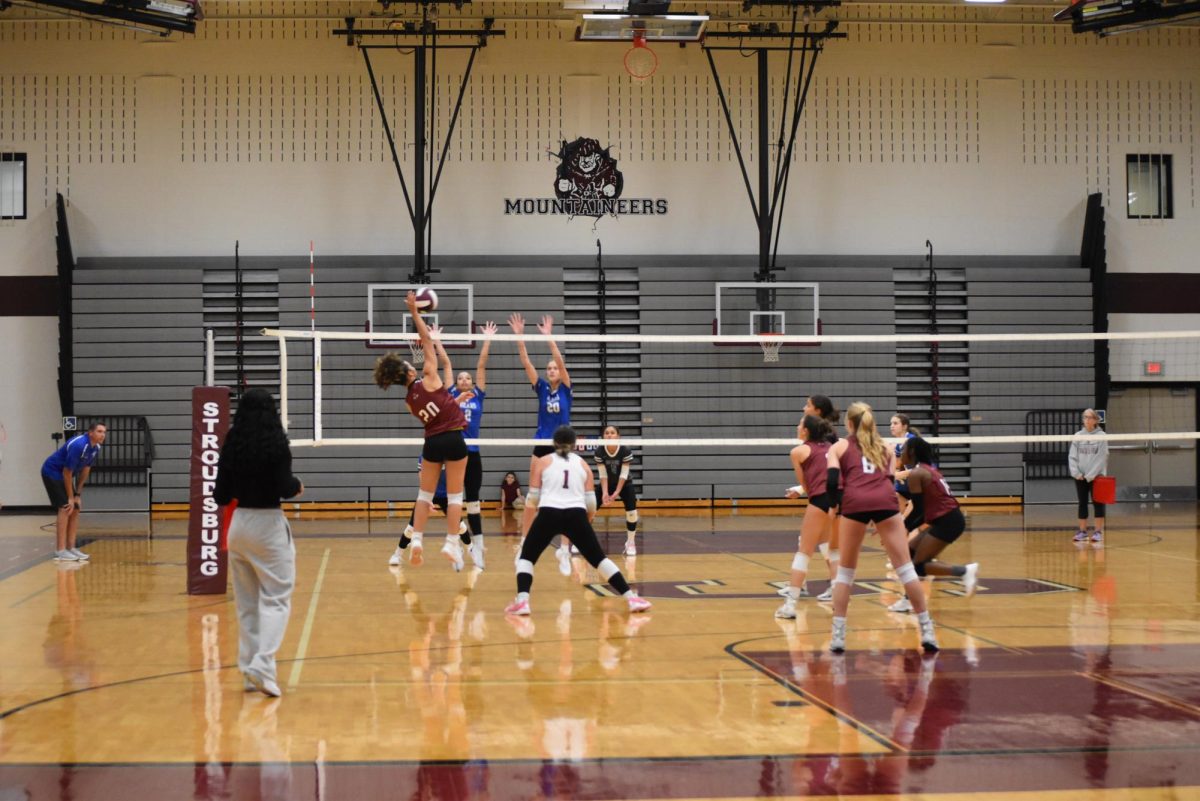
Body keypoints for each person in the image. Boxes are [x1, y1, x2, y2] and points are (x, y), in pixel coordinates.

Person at [825, 401, 938, 654]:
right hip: (885, 503)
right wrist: (884, 519)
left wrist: (834, 507)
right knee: (906, 570)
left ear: (849, 424)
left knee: (845, 572)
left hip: (854, 503)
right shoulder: (886, 447)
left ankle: (838, 636)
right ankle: (927, 630)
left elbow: (832, 481)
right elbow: (887, 481)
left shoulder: (840, 446)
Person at [504, 426, 650, 616]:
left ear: (554, 444)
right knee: (599, 559)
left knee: (526, 558)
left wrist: (530, 529)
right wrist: (584, 525)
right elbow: (591, 502)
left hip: (549, 513)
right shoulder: (583, 464)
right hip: (576, 515)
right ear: (574, 445)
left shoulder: (543, 461)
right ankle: (631, 598)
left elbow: (532, 499)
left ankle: (523, 601)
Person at [213, 389, 303, 698]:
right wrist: (298, 486)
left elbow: (220, 496)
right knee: (277, 599)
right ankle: (263, 666)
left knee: (247, 605)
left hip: (238, 527)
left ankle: (250, 669)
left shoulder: (232, 445)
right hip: (268, 526)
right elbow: (285, 486)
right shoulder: (277, 445)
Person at [374, 291, 469, 571]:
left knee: (424, 497)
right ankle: (452, 543)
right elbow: (427, 340)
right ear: (409, 372)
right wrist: (416, 313)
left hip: (432, 443)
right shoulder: (429, 375)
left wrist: (454, 401)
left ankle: (416, 541)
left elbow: (438, 406)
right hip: (453, 439)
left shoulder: (408, 401)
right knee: (454, 498)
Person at [509, 312, 573, 575]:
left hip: (562, 445)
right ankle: (524, 543)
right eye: (548, 369)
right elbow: (525, 362)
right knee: (533, 498)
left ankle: (564, 551)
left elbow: (559, 359)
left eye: (554, 368)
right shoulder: (542, 387)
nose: (551, 370)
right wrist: (520, 337)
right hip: (541, 443)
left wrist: (549, 338)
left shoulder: (567, 387)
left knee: (568, 499)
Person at [887, 436, 979, 613]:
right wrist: (905, 527)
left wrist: (903, 528)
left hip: (948, 520)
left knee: (919, 564)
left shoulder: (917, 473)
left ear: (912, 452)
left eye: (904, 449)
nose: (901, 452)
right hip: (945, 519)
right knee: (911, 553)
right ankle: (908, 600)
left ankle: (964, 571)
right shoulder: (926, 469)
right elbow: (921, 512)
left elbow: (919, 510)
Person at [448, 320, 497, 570]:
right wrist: (435, 341)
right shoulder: (450, 395)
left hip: (474, 453)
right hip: (454, 454)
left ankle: (478, 548)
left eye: (468, 378)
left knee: (474, 502)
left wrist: (486, 338)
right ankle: (456, 548)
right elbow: (445, 365)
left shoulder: (478, 395)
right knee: (454, 502)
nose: (465, 380)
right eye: (461, 378)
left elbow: (481, 365)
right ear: (456, 383)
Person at [776, 415, 837, 619]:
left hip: (820, 499)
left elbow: (809, 487)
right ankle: (839, 598)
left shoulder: (798, 451)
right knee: (831, 549)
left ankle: (790, 605)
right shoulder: (832, 446)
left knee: (804, 551)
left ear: (806, 431)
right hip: (841, 500)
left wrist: (804, 492)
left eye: (800, 424)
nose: (797, 426)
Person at [41, 421, 106, 562]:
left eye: (104, 432)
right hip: (52, 472)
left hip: (64, 475)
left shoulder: (96, 447)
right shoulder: (79, 445)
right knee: (65, 507)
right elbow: (67, 472)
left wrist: (77, 495)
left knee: (75, 508)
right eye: (99, 431)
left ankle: (71, 548)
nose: (103, 435)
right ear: (90, 433)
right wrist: (70, 498)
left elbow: (86, 469)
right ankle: (60, 550)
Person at [594, 425, 639, 556]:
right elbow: (602, 475)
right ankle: (580, 540)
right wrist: (605, 492)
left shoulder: (625, 451)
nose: (609, 435)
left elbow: (624, 474)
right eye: (606, 433)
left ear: (618, 437)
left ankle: (630, 542)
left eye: (612, 433)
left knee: (632, 512)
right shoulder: (599, 452)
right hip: (607, 483)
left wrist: (617, 492)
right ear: (603, 437)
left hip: (625, 484)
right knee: (590, 510)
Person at [1069, 408, 1108, 544]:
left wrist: (1091, 475)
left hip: (1097, 476)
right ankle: (1082, 532)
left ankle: (1098, 532)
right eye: (1085, 417)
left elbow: (1101, 457)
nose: (1087, 420)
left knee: (1098, 503)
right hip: (1080, 477)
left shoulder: (1101, 436)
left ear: (1096, 420)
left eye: (1090, 417)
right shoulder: (1078, 435)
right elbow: (1072, 456)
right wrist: (1076, 473)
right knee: (1082, 503)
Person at [889, 413, 918, 514]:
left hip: (921, 481)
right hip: (906, 483)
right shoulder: (895, 443)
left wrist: (903, 474)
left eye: (895, 423)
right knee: (895, 499)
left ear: (904, 426)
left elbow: (922, 467)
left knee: (908, 517)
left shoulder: (912, 441)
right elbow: (897, 465)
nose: (892, 426)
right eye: (891, 423)